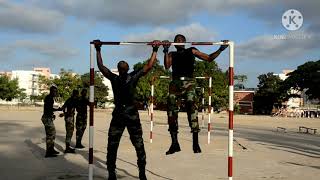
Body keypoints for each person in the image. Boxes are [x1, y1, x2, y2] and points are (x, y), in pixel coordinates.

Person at [93, 39, 160, 180]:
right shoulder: (117, 78)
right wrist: (155, 50)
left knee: (133, 144)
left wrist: (98, 50)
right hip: (122, 114)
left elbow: (101, 66)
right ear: (123, 68)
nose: (123, 65)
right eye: (122, 65)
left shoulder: (125, 77)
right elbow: (148, 66)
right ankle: (113, 173)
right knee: (117, 144)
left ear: (123, 69)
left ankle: (140, 172)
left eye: (123, 65)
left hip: (128, 113)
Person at [162, 34, 228, 155]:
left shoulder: (191, 50)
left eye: (181, 40)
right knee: (171, 111)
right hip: (175, 83)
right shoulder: (172, 54)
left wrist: (220, 49)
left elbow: (209, 58)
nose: (178, 41)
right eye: (176, 40)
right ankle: (174, 143)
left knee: (192, 107)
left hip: (189, 82)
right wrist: (165, 50)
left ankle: (195, 142)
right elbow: (167, 66)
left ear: (185, 42)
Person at [41, 85, 61, 158]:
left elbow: (51, 107)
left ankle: (51, 150)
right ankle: (49, 152)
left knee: (52, 134)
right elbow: (49, 108)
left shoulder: (50, 98)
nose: (56, 93)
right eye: (55, 91)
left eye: (56, 91)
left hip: (48, 118)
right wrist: (56, 111)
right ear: (51, 91)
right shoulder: (49, 98)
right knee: (50, 135)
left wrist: (57, 110)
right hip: (47, 118)